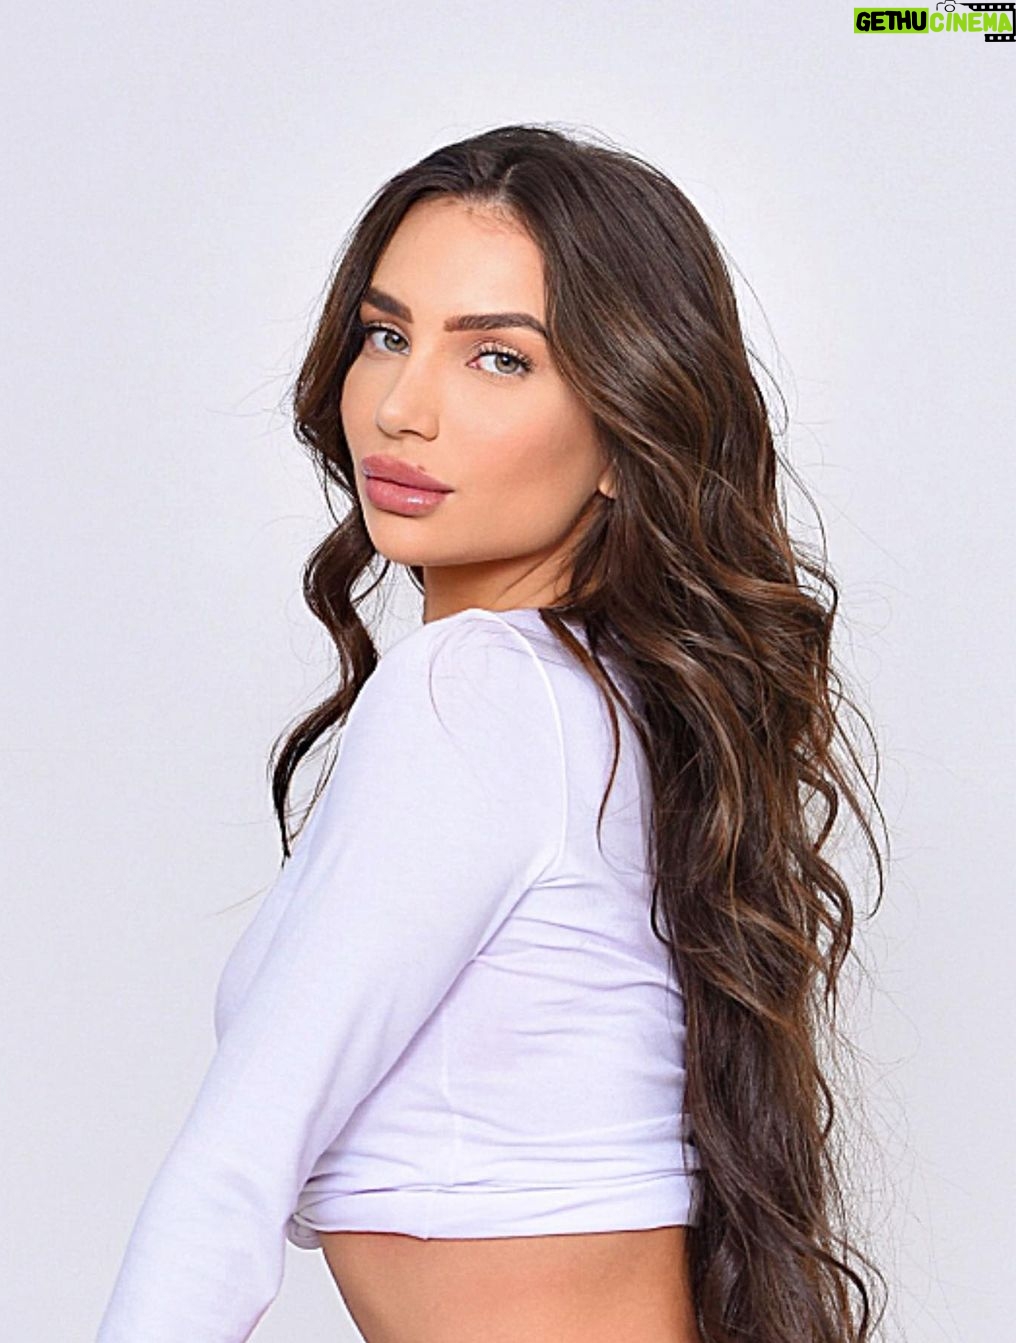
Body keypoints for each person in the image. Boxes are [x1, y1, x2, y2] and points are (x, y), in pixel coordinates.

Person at [95, 123, 889, 1343]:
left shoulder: (474, 690)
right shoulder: (604, 701)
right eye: (386, 334)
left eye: (499, 358)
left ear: (628, 427)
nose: (401, 408)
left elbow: (235, 1166)